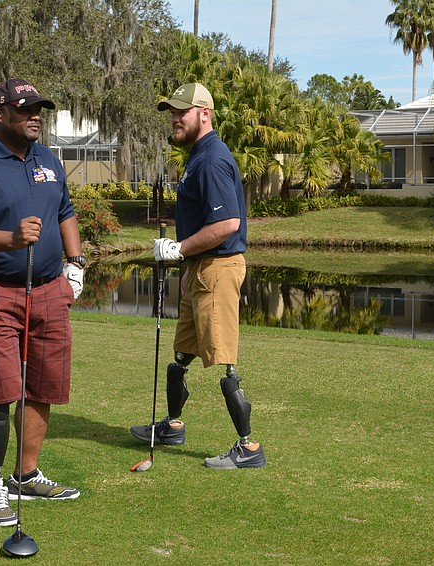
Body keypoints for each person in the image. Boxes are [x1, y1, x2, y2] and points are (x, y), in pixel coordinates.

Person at [0, 78, 87, 526]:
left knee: (43, 386)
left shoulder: (48, 159)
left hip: (48, 290)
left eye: (38, 109)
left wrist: (76, 263)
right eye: (24, 109)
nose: (35, 116)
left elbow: (64, 211)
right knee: (1, 393)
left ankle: (26, 474)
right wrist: (9, 239)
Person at [129, 82, 266, 469]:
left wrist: (179, 248)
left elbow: (227, 223)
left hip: (218, 269)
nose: (175, 118)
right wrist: (189, 263)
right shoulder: (197, 156)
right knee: (182, 354)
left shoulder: (210, 159)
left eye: (181, 112)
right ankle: (172, 426)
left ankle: (248, 448)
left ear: (204, 113)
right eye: (172, 112)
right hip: (201, 269)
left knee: (226, 360)